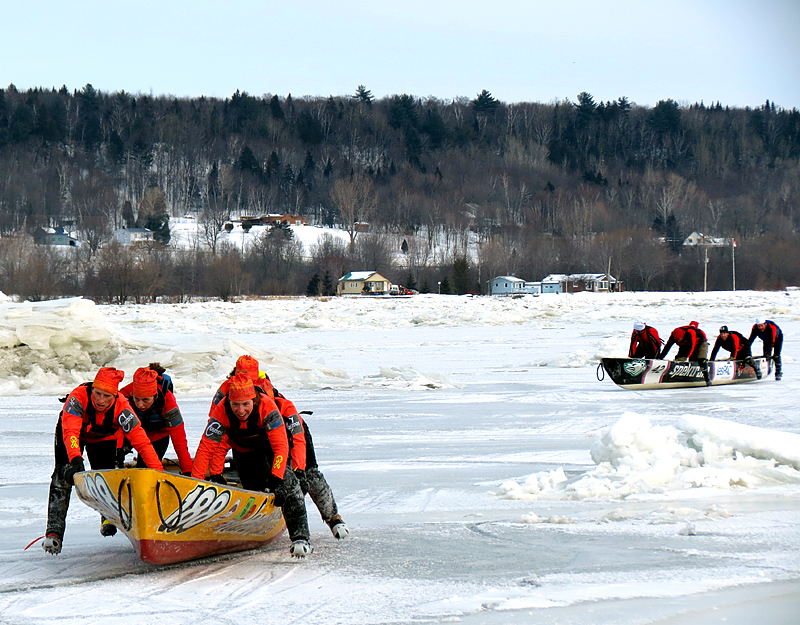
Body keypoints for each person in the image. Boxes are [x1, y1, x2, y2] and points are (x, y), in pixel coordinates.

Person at [210, 355, 348, 540]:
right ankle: (260, 513)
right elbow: (217, 435)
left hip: (287, 435)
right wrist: (215, 472)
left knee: (309, 474)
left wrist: (298, 469)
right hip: (253, 439)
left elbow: (295, 439)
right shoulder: (225, 393)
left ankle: (333, 518)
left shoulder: (270, 397)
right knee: (257, 483)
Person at [43, 367, 164, 555]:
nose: (100, 400)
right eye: (97, 393)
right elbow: (70, 432)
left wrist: (158, 472)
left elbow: (141, 441)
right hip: (73, 435)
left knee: (107, 476)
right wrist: (75, 458)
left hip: (104, 438)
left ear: (115, 396)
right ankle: (54, 532)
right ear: (92, 390)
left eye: (106, 396)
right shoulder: (77, 399)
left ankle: (107, 517)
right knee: (62, 475)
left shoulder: (123, 407)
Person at [192, 372, 313, 557]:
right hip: (243, 452)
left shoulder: (267, 406)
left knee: (288, 484)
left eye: (245, 404)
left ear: (254, 400)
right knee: (253, 490)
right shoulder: (221, 410)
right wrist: (196, 485)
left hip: (270, 449)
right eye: (235, 405)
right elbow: (206, 449)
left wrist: (277, 477)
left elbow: (281, 447)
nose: (240, 410)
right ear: (229, 402)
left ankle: (300, 538)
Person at [118, 364, 193, 474]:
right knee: (114, 452)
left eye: (145, 400)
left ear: (155, 396)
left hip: (158, 434)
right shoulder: (124, 395)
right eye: (137, 399)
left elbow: (179, 441)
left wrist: (188, 471)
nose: (140, 405)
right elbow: (116, 429)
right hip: (130, 431)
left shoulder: (168, 401)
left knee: (146, 471)